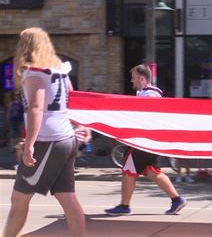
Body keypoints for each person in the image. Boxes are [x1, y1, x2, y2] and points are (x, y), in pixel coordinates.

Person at [3, 27, 85, 236]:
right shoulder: (60, 70)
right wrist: (80, 126)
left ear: (25, 46)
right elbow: (72, 99)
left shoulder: (34, 72)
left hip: (47, 141)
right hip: (65, 138)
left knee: (19, 198)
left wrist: (30, 144)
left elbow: (36, 108)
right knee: (67, 197)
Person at [105, 64, 186, 216]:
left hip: (143, 140)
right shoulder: (146, 93)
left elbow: (148, 111)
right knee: (150, 170)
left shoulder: (149, 94)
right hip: (150, 140)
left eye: (134, 77)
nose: (131, 80)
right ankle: (177, 199)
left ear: (142, 78)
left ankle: (124, 206)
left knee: (128, 170)